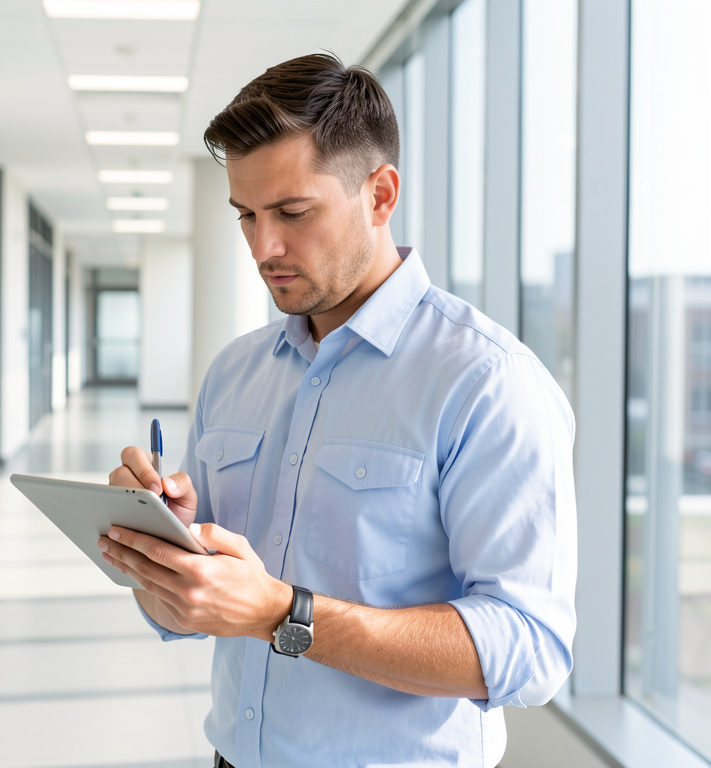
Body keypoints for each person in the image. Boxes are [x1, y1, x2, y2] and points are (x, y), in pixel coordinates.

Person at [98, 52, 576, 768]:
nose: (265, 247)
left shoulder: (486, 381)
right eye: (247, 215)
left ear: (380, 195)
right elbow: (192, 617)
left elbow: (529, 648)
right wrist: (163, 553)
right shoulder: (235, 372)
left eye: (292, 212)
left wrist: (279, 615)